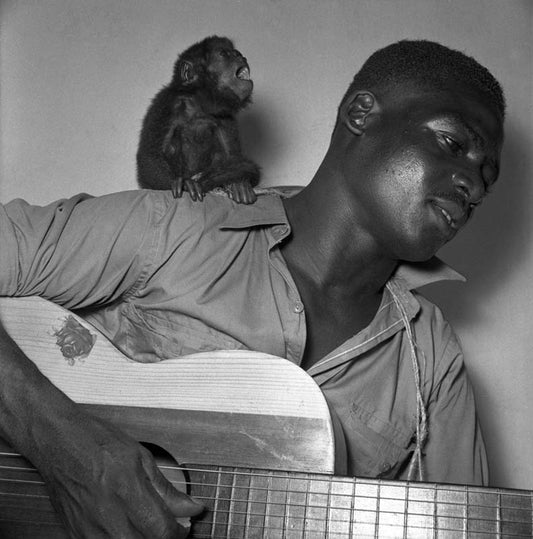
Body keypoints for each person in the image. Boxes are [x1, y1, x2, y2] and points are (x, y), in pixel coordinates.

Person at [0, 39, 504, 538]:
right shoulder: (175, 230)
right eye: (453, 144)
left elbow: (461, 529)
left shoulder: (431, 357)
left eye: (487, 175)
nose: (475, 186)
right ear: (361, 114)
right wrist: (65, 450)